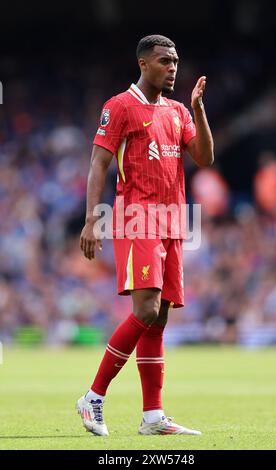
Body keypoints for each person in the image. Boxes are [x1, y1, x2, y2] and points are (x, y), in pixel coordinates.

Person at [77, 34, 214, 436]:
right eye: (164, 61)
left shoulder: (177, 111)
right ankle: (93, 397)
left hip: (173, 221)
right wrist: (91, 220)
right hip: (137, 218)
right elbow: (99, 163)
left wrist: (199, 110)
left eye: (176, 61)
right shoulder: (119, 107)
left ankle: (153, 415)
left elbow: (205, 157)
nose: (173, 67)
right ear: (143, 64)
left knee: (159, 319)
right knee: (147, 310)